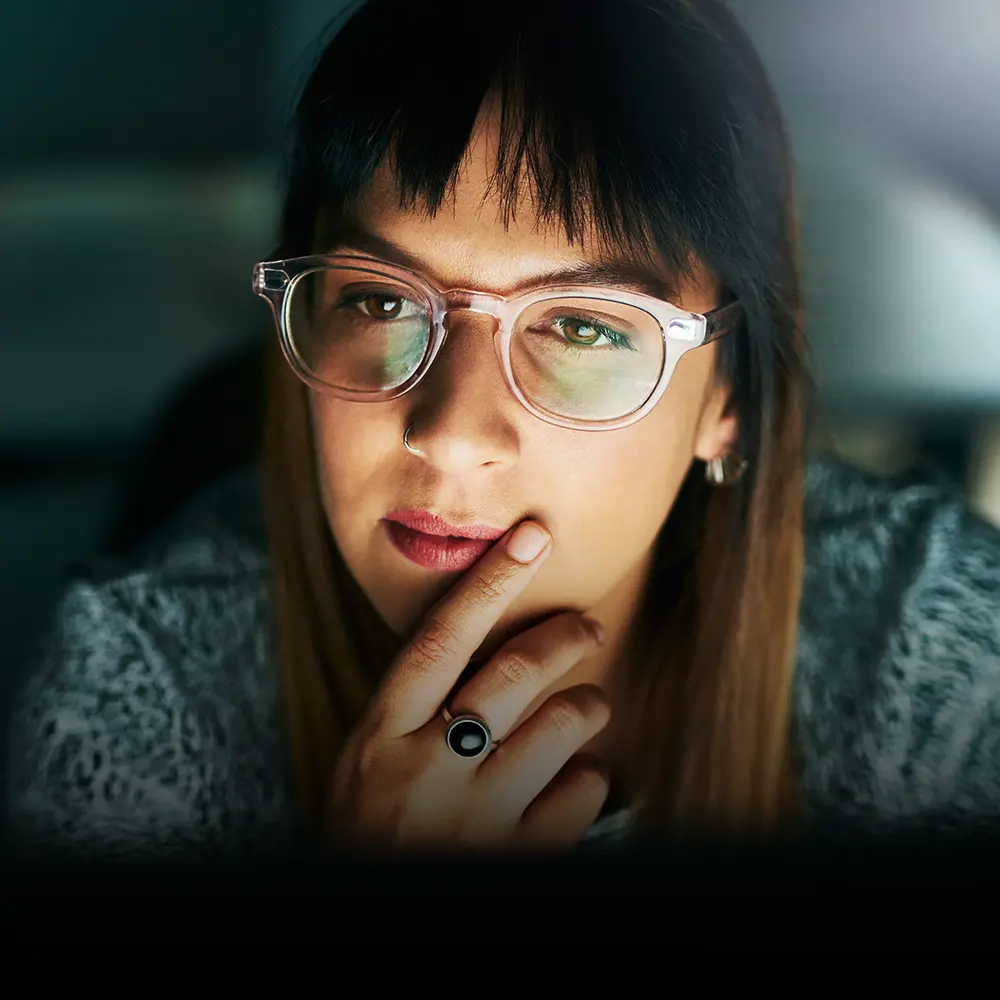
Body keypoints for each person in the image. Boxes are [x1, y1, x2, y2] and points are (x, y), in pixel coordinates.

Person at [5, 0, 1000, 861]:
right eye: (381, 302)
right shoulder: (139, 693)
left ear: (727, 398)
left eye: (580, 328)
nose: (448, 435)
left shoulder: (937, 665)